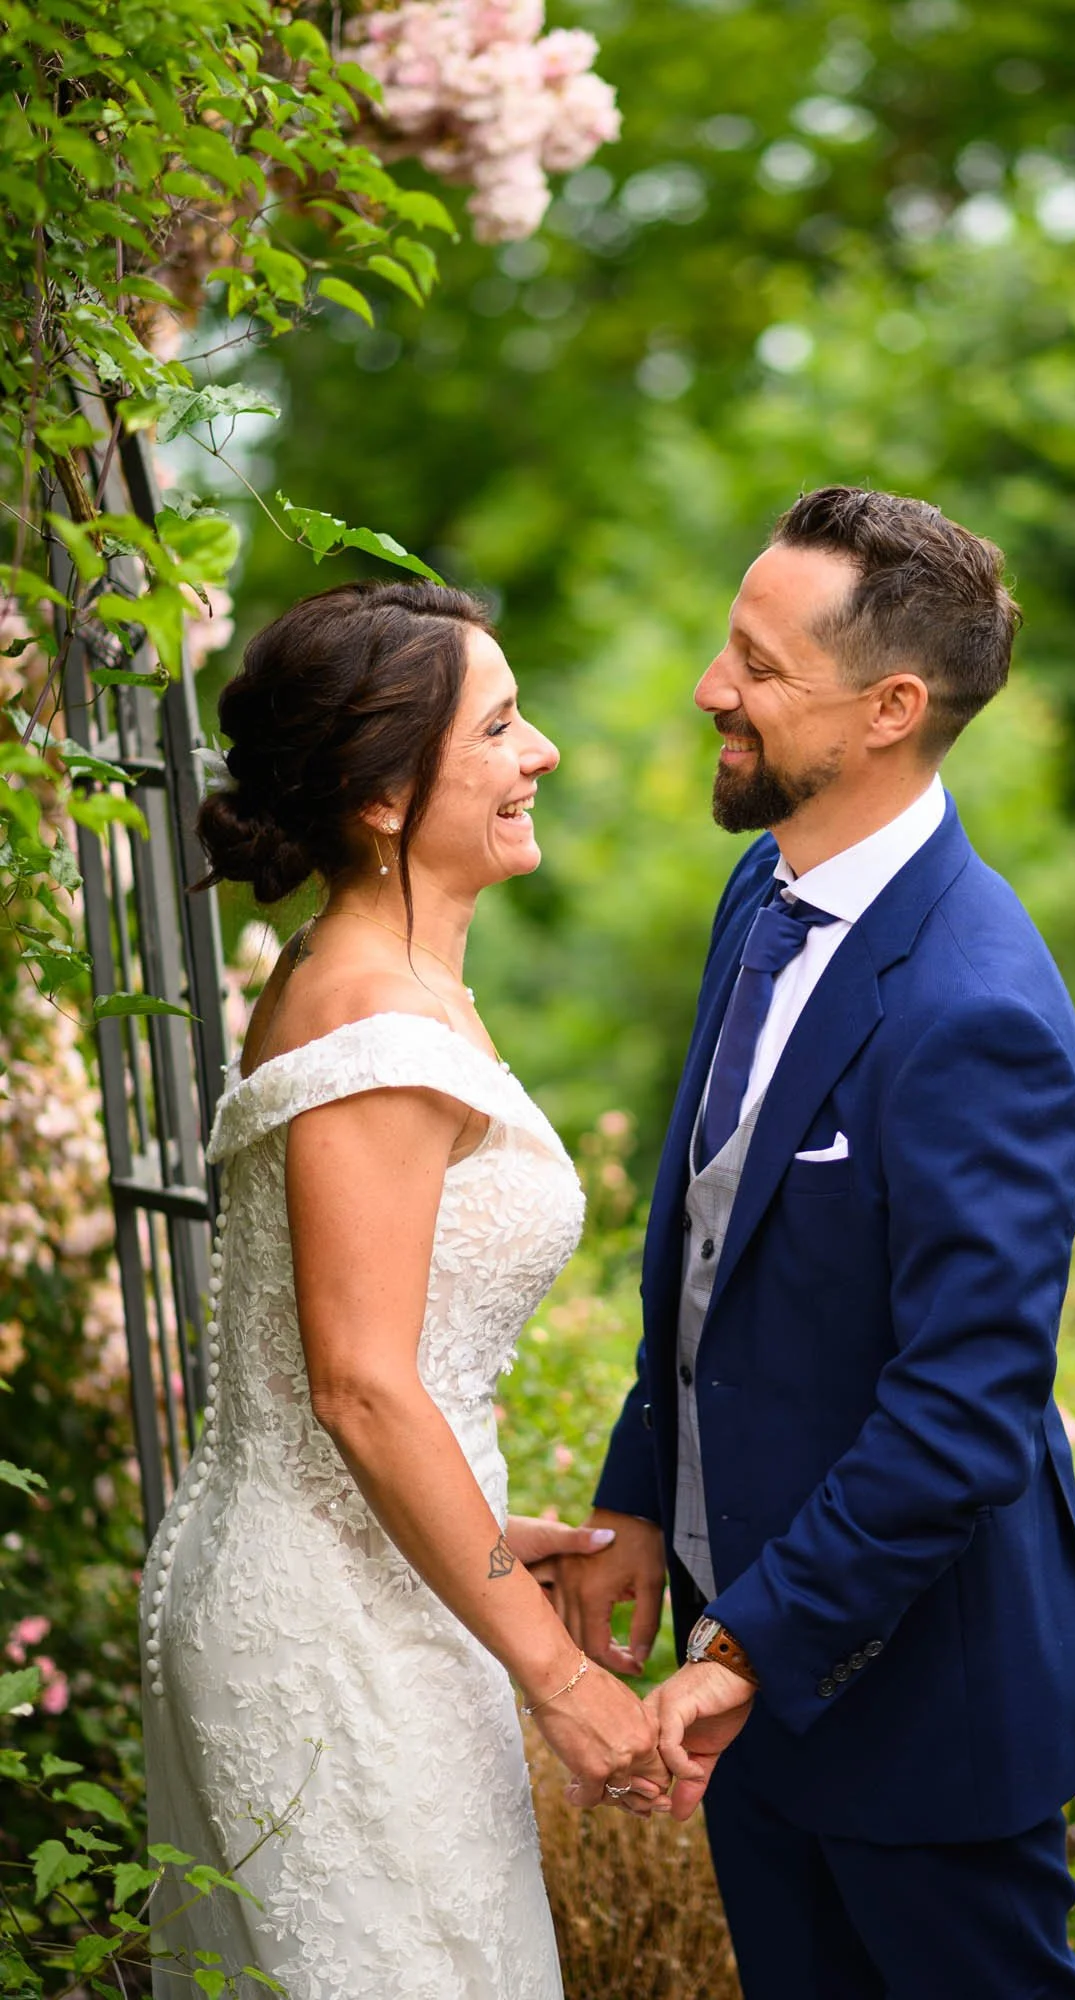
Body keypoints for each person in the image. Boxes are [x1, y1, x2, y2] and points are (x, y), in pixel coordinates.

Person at [566, 489, 1075, 1998]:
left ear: (890, 708)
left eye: (756, 664)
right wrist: (639, 1498)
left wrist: (745, 1649)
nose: (709, 689)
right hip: (754, 1687)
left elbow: (965, 1410)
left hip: (917, 1711)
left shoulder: (978, 1007)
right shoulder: (764, 893)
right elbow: (713, 1265)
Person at [141, 579, 667, 2000]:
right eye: (499, 729)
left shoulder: (362, 971)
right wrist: (563, 1686)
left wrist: (481, 1530)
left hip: (378, 1582)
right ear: (381, 798)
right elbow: (362, 1386)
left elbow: (359, 1360)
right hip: (332, 1630)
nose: (540, 750)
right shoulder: (373, 1018)